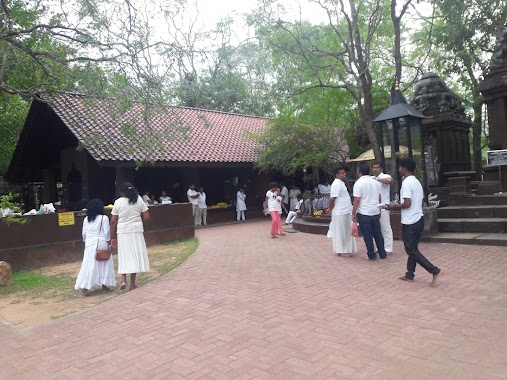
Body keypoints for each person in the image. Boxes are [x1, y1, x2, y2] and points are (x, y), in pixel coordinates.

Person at [386, 158, 443, 285]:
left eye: (400, 167)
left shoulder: (407, 183)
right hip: (419, 218)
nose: (399, 170)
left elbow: (407, 203)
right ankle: (409, 274)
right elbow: (420, 202)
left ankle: (434, 270)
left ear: (405, 168)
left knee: (410, 249)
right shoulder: (417, 182)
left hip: (410, 221)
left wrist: (392, 207)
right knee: (413, 248)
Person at [110, 183, 150, 291]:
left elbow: (113, 221)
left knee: (124, 255)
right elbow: (146, 217)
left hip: (122, 232)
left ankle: (123, 280)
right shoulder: (139, 199)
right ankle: (132, 284)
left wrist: (111, 237)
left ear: (122, 192)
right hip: (136, 230)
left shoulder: (118, 202)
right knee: (134, 256)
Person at [75, 199, 116, 296]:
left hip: (89, 245)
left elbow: (84, 234)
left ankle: (85, 287)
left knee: (88, 265)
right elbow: (106, 233)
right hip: (101, 243)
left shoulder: (86, 219)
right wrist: (108, 243)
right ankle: (104, 285)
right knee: (104, 264)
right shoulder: (104, 218)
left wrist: (88, 243)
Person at [352, 164, 387, 260]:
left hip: (364, 212)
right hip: (375, 210)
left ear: (359, 172)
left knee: (368, 235)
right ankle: (382, 253)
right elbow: (379, 197)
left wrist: (353, 212)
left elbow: (357, 200)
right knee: (378, 234)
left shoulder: (358, 183)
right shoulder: (375, 182)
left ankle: (371, 254)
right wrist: (379, 209)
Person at [325, 167, 357, 257]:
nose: (344, 174)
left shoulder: (341, 183)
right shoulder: (336, 184)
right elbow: (332, 199)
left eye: (344, 173)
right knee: (340, 231)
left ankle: (347, 249)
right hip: (340, 211)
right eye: (342, 173)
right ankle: (341, 250)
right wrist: (330, 208)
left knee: (347, 230)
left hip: (346, 210)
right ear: (337, 175)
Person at [372, 161, 394, 255]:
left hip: (384, 206)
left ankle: (388, 248)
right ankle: (380, 247)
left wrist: (377, 180)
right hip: (374, 207)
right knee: (377, 228)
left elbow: (390, 181)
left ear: (381, 169)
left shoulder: (385, 176)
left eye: (377, 167)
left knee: (386, 227)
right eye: (374, 167)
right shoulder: (371, 178)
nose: (375, 169)